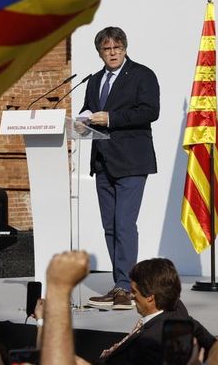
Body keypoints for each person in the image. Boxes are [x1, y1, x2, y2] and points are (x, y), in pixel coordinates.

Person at [80, 27, 159, 309]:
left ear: (124, 48)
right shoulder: (95, 80)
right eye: (106, 49)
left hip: (132, 161)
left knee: (124, 224)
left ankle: (127, 288)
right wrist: (83, 119)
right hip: (103, 162)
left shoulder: (142, 74)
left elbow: (150, 111)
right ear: (99, 52)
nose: (111, 53)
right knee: (110, 227)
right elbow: (90, 109)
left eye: (116, 48)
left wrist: (111, 118)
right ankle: (119, 285)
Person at [99, 258, 215, 364]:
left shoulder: (149, 342)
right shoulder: (178, 310)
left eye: (134, 291)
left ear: (150, 297)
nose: (131, 296)